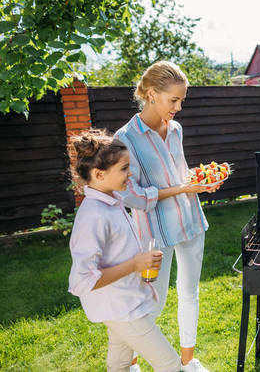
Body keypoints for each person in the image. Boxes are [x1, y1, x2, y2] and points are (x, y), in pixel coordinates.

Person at [115, 61, 218, 372]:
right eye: (174, 100)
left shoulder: (176, 130)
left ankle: (188, 362)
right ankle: (130, 362)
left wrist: (199, 181)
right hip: (153, 233)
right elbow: (130, 194)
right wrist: (180, 187)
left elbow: (177, 173)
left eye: (181, 100)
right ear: (151, 94)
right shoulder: (126, 138)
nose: (179, 107)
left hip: (190, 220)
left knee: (190, 292)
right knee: (151, 301)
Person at [68, 129, 181, 372]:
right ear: (99, 174)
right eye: (124, 168)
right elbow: (82, 282)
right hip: (122, 309)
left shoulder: (112, 200)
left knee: (119, 363)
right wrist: (135, 264)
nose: (130, 174)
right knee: (170, 364)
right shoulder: (94, 216)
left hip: (125, 300)